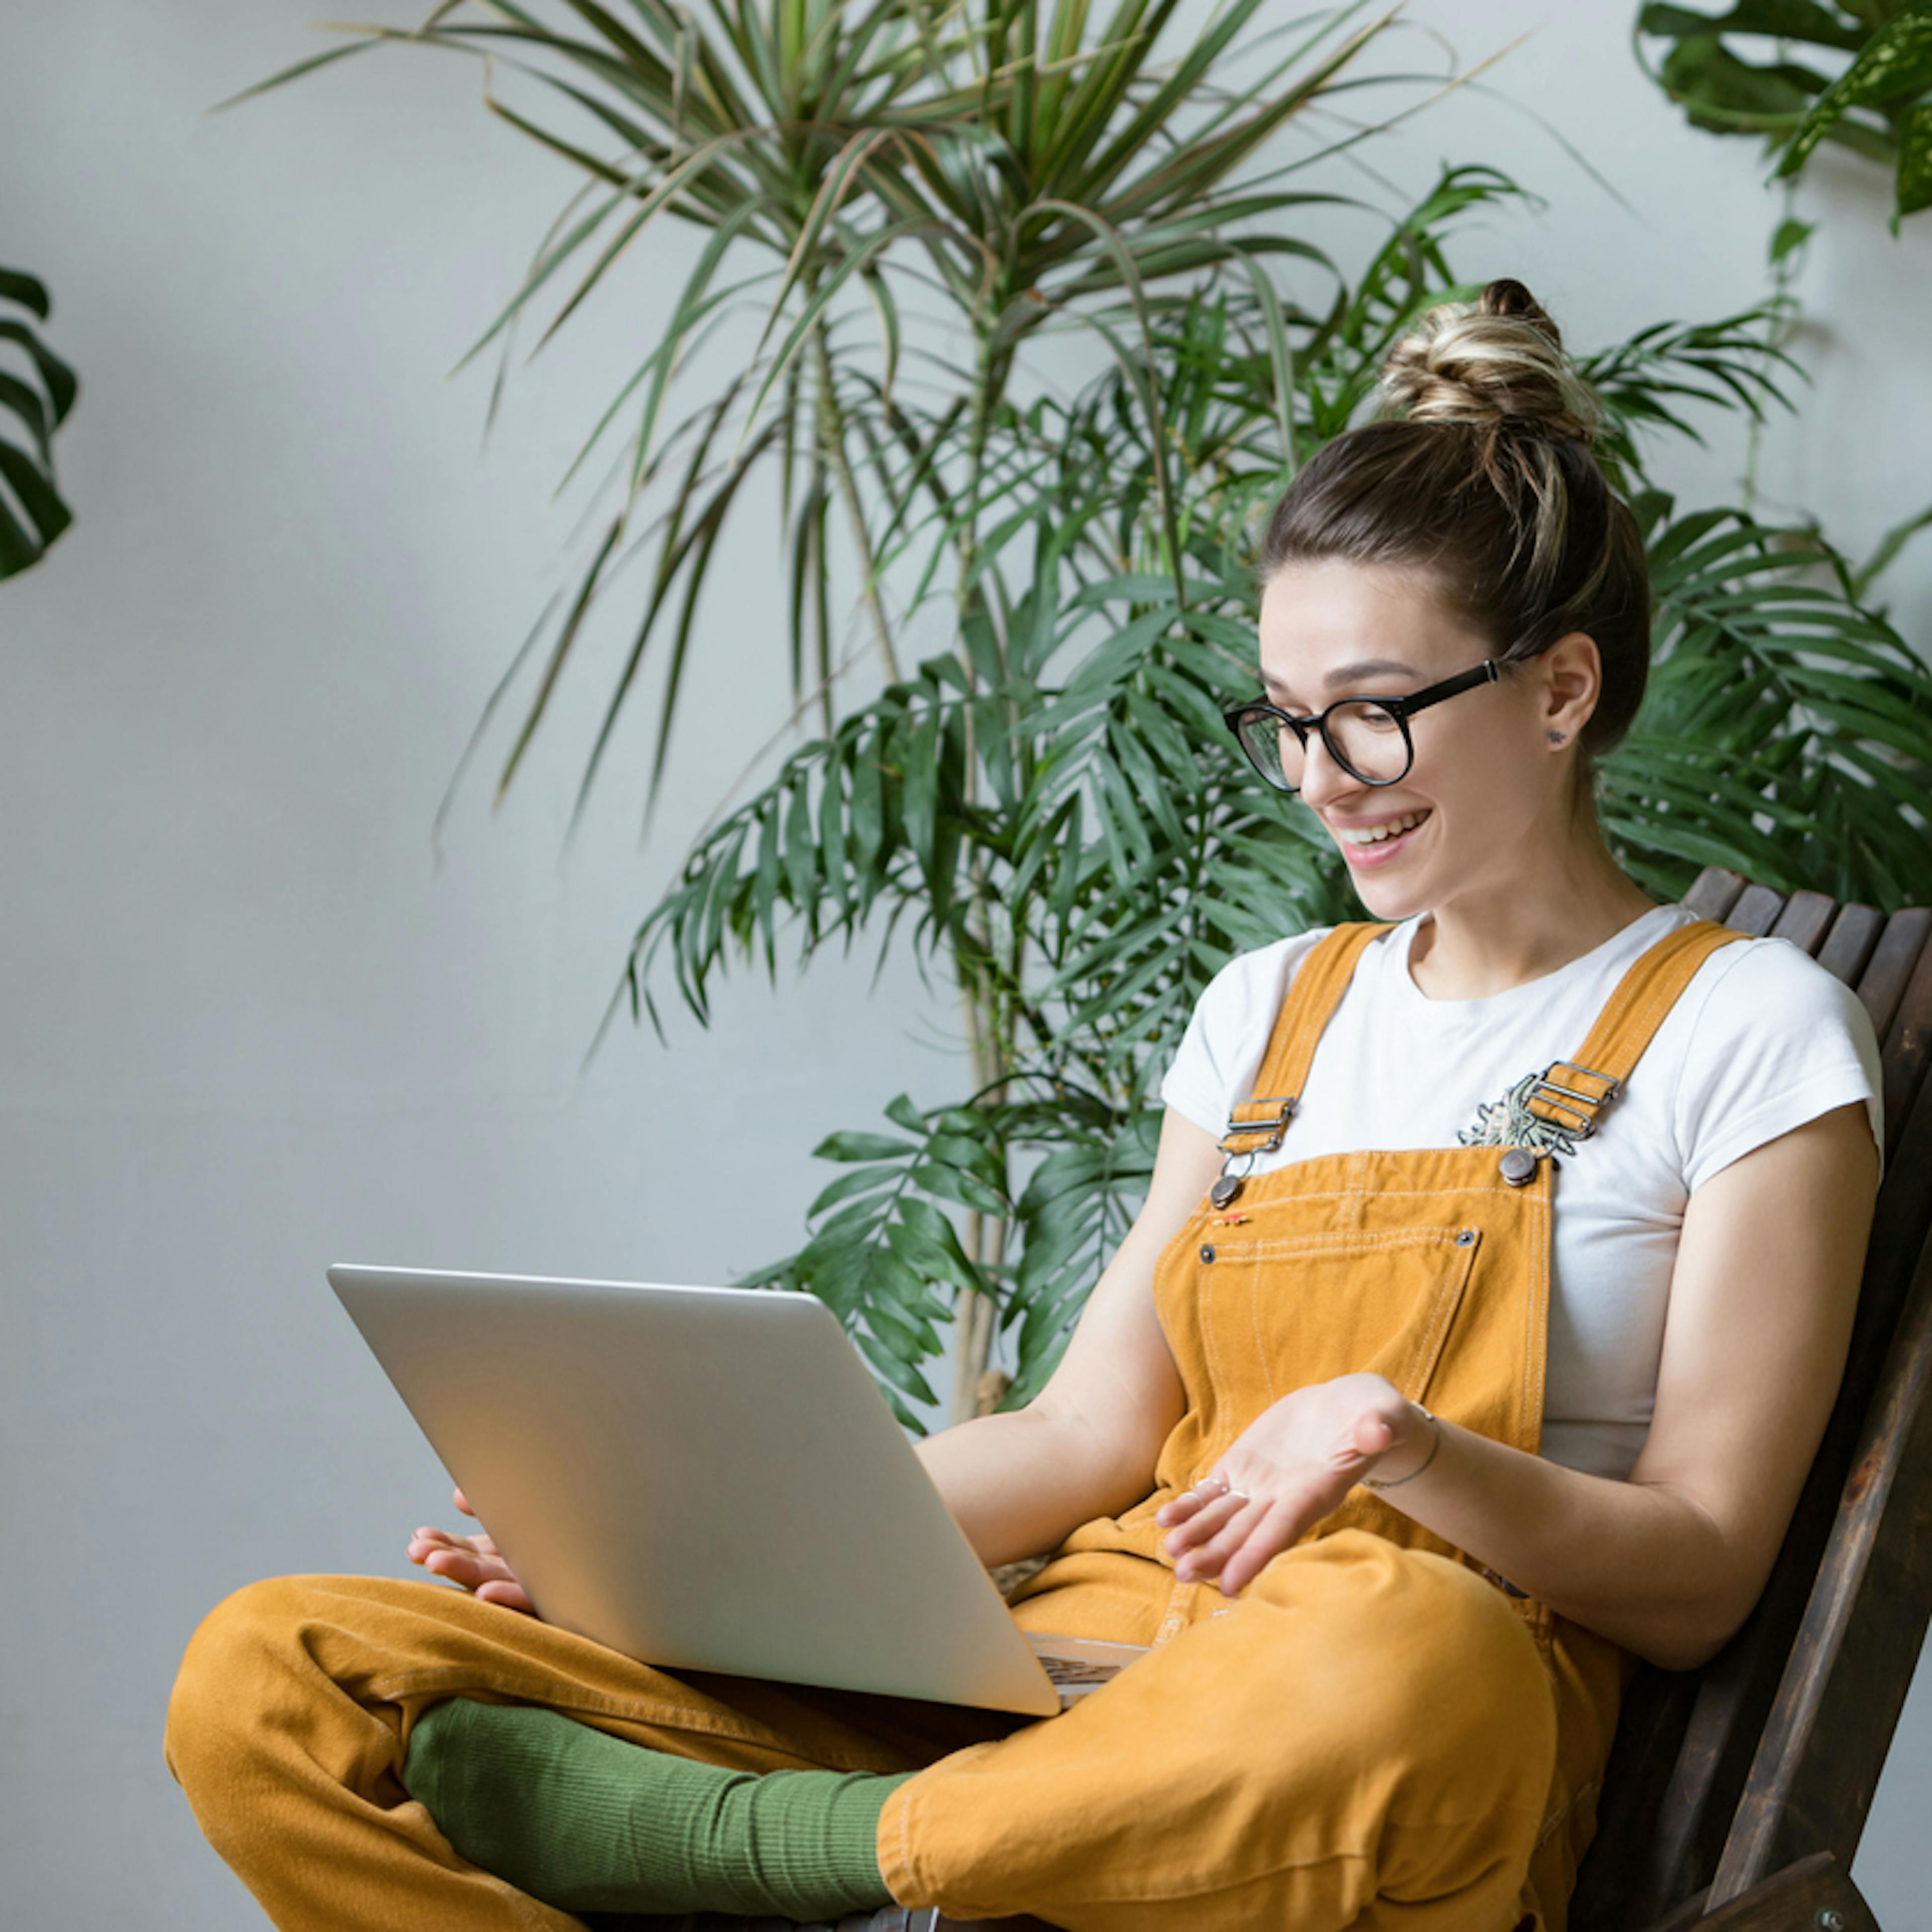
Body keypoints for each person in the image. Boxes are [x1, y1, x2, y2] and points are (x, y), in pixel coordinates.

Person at [165, 279, 1884, 1932]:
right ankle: (927, 1847)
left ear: (1563, 690)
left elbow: (1701, 1573)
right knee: (278, 1670)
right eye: (1283, 723)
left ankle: (783, 1852)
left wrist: (1411, 1454)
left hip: (1368, 1733)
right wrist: (665, 1561)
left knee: (1399, 1640)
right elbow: (1084, 1440)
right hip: (1089, 1681)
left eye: (1367, 720)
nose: (1315, 785)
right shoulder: (1268, 1011)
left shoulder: (1751, 1035)